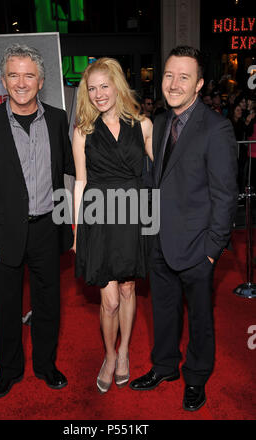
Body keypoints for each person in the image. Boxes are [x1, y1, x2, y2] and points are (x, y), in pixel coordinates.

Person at [130, 46, 238, 411]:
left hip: (197, 246)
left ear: (200, 84)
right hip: (159, 240)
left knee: (201, 318)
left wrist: (211, 250)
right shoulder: (159, 122)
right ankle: (164, 367)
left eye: (184, 77)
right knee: (163, 311)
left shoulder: (217, 128)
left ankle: (195, 376)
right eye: (169, 75)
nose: (174, 84)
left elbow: (225, 195)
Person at [0, 43, 75, 399]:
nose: (21, 82)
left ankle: (46, 366)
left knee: (49, 303)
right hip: (4, 232)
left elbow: (69, 173)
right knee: (8, 306)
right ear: (3, 80)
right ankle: (9, 371)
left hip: (48, 227)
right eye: (13, 74)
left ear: (40, 80)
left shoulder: (59, 119)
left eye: (28, 75)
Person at [72, 57, 153, 394]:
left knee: (128, 288)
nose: (98, 94)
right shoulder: (82, 131)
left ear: (117, 85)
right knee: (109, 300)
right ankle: (108, 354)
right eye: (92, 89)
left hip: (133, 215)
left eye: (104, 86)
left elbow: (160, 176)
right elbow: (80, 182)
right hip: (100, 219)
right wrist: (78, 230)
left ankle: (124, 352)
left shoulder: (144, 125)